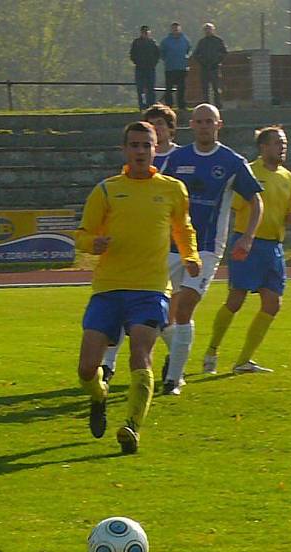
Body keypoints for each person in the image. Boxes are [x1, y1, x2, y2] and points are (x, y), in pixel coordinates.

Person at [75, 121, 200, 454]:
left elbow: (183, 228)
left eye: (147, 145)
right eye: (135, 145)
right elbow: (82, 233)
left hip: (150, 289)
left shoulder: (173, 189)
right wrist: (93, 243)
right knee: (87, 367)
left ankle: (132, 426)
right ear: (125, 150)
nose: (141, 151)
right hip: (108, 287)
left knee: (140, 355)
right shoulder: (106, 190)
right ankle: (99, 396)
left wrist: (190, 255)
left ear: (156, 148)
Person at [158, 103, 263, 395]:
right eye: (199, 121)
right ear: (191, 125)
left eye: (210, 121)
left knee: (185, 307)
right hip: (170, 245)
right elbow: (158, 190)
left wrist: (247, 237)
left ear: (219, 125)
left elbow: (256, 201)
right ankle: (171, 357)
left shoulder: (232, 161)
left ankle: (173, 379)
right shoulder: (177, 158)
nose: (204, 126)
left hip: (205, 248)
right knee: (156, 310)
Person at [203, 126, 291, 374]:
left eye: (284, 143)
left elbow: (288, 211)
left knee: (272, 304)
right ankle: (212, 351)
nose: (283, 147)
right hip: (248, 243)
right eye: (278, 143)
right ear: (263, 147)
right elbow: (236, 205)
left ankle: (243, 361)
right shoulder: (248, 171)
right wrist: (244, 238)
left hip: (274, 247)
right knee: (236, 300)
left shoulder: (288, 177)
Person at [99, 103, 181, 382]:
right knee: (129, 314)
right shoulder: (127, 170)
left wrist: (191, 250)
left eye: (159, 124)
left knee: (169, 314)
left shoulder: (184, 159)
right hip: (127, 260)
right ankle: (108, 365)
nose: (154, 129)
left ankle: (176, 363)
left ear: (169, 130)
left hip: (169, 252)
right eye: (150, 123)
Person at [193, 23, 227, 109]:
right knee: (205, 88)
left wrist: (217, 61)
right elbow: (196, 54)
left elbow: (224, 52)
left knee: (216, 88)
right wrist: (202, 62)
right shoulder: (202, 42)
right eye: (206, 29)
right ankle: (206, 106)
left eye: (209, 29)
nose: (208, 31)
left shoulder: (218, 40)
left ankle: (218, 105)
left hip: (215, 68)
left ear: (213, 30)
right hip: (204, 68)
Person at [159, 22, 191, 111]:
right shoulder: (166, 41)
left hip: (182, 67)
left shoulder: (185, 40)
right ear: (171, 29)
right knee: (169, 88)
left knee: (181, 88)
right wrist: (167, 60)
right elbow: (162, 53)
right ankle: (169, 105)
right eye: (174, 29)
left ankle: (182, 105)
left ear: (180, 29)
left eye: (177, 29)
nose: (175, 30)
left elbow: (188, 50)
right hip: (170, 68)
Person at [130, 25, 160, 111]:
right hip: (140, 69)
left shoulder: (153, 43)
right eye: (143, 32)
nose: (145, 34)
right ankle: (142, 105)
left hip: (150, 69)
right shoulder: (136, 42)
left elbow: (157, 55)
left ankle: (151, 105)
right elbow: (132, 55)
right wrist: (138, 63)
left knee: (151, 88)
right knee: (141, 89)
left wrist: (153, 64)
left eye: (147, 32)